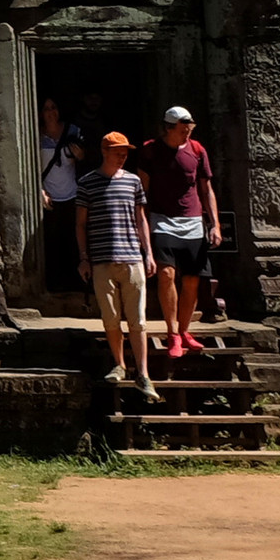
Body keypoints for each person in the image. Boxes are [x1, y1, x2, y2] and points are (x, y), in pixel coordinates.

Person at [140, 103, 223, 360]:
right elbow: (142, 189)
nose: (187, 133)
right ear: (169, 128)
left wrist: (215, 224)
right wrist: (139, 221)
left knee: (192, 280)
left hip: (192, 221)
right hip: (162, 219)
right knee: (166, 274)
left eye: (189, 128)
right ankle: (172, 332)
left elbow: (206, 189)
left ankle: (185, 330)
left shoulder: (197, 150)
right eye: (183, 129)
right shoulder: (151, 150)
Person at [77, 130, 153, 387]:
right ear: (104, 151)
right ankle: (119, 364)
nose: (122, 157)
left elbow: (141, 219)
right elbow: (80, 224)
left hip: (132, 256)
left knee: (138, 320)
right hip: (102, 259)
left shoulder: (133, 181)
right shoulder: (87, 182)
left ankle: (143, 373)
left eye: (125, 153)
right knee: (110, 317)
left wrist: (149, 253)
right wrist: (84, 258)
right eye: (118, 152)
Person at [37, 110, 86, 302]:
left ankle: (76, 281)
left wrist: (80, 155)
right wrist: (39, 190)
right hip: (48, 195)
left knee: (74, 238)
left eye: (54, 107)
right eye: (46, 108)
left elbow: (84, 159)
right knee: (52, 240)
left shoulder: (73, 131)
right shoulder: (36, 135)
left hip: (72, 192)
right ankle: (54, 283)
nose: (51, 113)